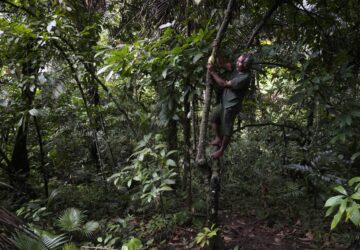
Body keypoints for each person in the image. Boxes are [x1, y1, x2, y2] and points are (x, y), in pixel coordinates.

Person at [207, 53, 254, 158]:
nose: (239, 64)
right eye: (238, 61)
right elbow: (223, 64)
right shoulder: (236, 67)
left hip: (232, 105)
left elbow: (223, 84)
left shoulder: (245, 77)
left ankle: (221, 150)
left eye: (243, 63)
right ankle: (218, 138)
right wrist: (217, 51)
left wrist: (212, 72)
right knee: (213, 117)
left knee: (227, 130)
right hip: (224, 102)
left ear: (247, 65)